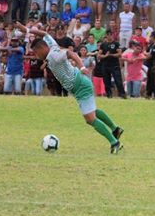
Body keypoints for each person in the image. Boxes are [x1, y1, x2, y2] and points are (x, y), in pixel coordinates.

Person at [20, 25, 124, 153]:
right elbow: (44, 34)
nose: (36, 56)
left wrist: (81, 67)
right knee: (92, 112)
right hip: (78, 86)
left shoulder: (54, 55)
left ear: (41, 48)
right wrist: (28, 30)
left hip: (80, 85)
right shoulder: (51, 45)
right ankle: (115, 129)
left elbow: (72, 54)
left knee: (90, 119)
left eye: (36, 53)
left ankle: (114, 142)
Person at [97, 32, 125, 98]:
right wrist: (105, 56)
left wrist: (111, 55)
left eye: (110, 34)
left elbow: (119, 54)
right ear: (106, 35)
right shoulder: (103, 44)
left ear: (112, 35)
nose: (109, 36)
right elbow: (99, 55)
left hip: (114, 65)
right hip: (105, 65)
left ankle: (122, 94)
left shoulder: (116, 44)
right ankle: (109, 95)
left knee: (118, 80)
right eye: (108, 35)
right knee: (106, 81)